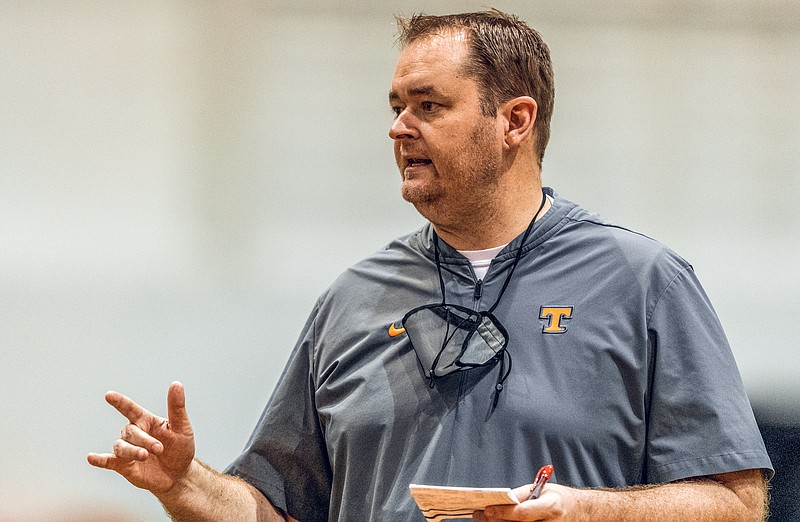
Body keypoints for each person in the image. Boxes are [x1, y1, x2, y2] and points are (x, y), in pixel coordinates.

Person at [88, 10, 773, 522]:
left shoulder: (642, 282)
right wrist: (187, 486)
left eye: (428, 106)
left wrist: (581, 510)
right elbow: (278, 509)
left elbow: (737, 505)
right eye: (395, 107)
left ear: (515, 121)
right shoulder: (353, 298)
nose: (398, 127)